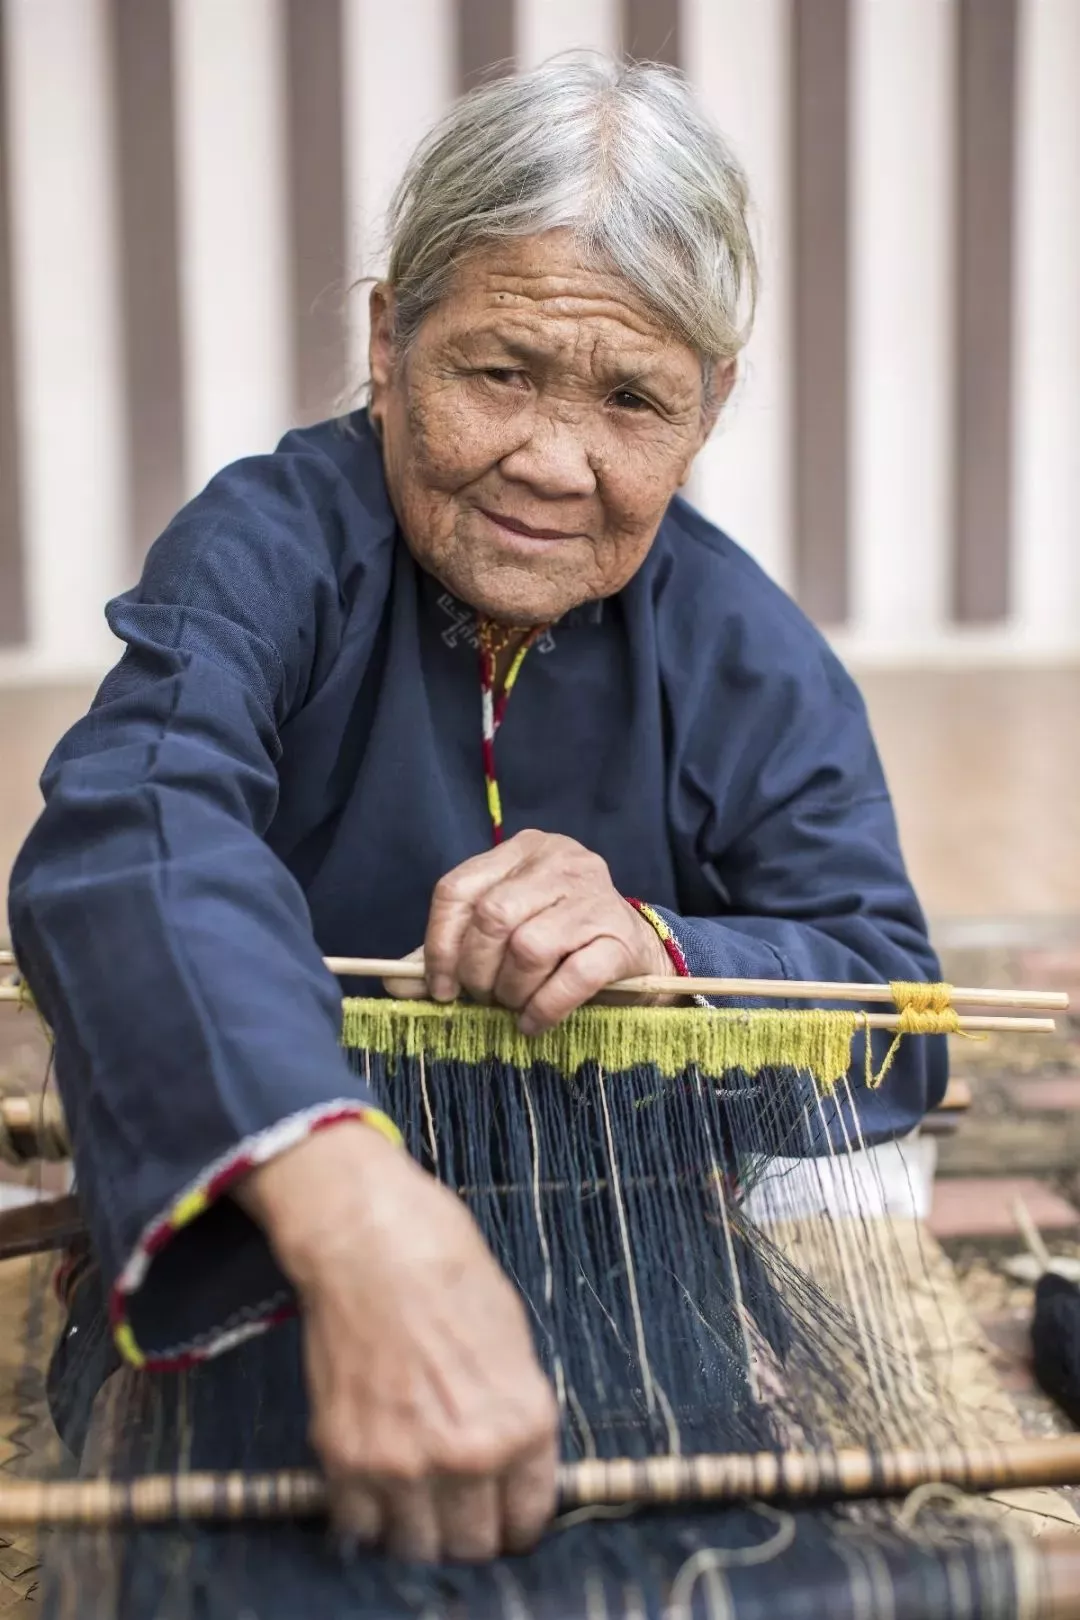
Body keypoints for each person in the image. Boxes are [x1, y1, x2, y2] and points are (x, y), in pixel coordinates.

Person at [8, 55, 945, 1566]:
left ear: (705, 412)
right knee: (285, 1564)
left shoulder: (737, 643)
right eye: (500, 371)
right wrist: (353, 1209)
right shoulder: (273, 547)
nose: (551, 464)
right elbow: (131, 833)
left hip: (618, 1227)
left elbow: (897, 1015)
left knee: (707, 1571)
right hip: (280, 1207)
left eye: (631, 398)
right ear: (390, 340)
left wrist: (664, 949)